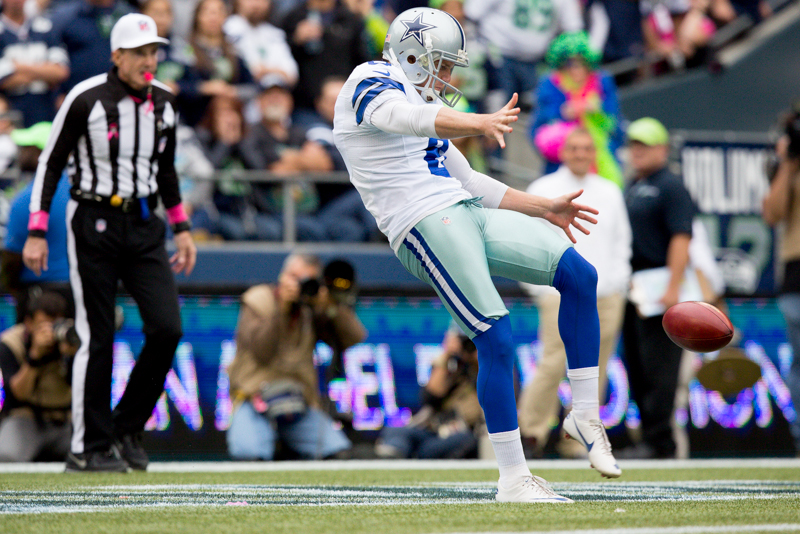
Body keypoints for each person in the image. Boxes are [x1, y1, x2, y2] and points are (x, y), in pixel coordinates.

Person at [333, 8, 620, 504]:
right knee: (495, 333)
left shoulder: (426, 103)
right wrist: (478, 122)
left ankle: (585, 413)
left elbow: (468, 181)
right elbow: (404, 117)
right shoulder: (371, 80)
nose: (449, 76)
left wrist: (543, 206)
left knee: (578, 273)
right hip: (423, 222)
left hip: (462, 209)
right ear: (410, 55)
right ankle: (512, 478)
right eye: (441, 64)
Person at [21, 13, 198, 472]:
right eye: (140, 53)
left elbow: (167, 170)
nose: (149, 61)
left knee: (167, 328)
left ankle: (126, 426)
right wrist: (37, 230)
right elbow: (51, 164)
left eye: (154, 51)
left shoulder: (164, 102)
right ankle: (88, 446)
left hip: (143, 224)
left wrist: (180, 227)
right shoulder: (86, 98)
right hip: (93, 220)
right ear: (116, 56)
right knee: (96, 334)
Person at [518, 128, 631, 459]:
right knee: (553, 361)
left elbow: (622, 242)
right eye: (575, 148)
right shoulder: (543, 189)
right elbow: (527, 239)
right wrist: (539, 287)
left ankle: (579, 438)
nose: (581, 154)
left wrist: (618, 283)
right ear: (563, 152)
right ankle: (530, 433)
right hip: (558, 290)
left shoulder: (610, 191)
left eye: (587, 148)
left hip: (606, 294)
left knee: (595, 365)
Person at [226, 253, 367, 460]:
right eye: (294, 277)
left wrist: (331, 306)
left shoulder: (311, 310)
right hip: (255, 398)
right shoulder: (259, 299)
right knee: (250, 453)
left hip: (299, 404)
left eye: (306, 280)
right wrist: (281, 310)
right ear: (282, 276)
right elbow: (261, 351)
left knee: (337, 452)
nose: (298, 285)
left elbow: (354, 337)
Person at [620, 117, 696, 459]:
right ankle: (649, 437)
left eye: (645, 145)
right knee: (636, 362)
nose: (637, 151)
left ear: (663, 150)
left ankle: (661, 440)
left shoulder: (671, 186)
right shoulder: (633, 185)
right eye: (634, 144)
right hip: (633, 287)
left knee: (660, 365)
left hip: (659, 285)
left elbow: (681, 236)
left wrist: (672, 287)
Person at [530, 32, 624, 186]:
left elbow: (616, 126)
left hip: (601, 164)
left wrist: (597, 113)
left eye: (581, 63)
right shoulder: (550, 85)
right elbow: (537, 131)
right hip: (561, 167)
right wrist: (562, 114)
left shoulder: (603, 82)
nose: (576, 70)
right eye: (569, 64)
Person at [376, 326, 483, 459]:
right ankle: (391, 457)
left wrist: (482, 359)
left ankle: (413, 456)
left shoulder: (488, 368)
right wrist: (448, 354)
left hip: (465, 432)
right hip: (434, 428)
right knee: (396, 431)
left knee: (437, 446)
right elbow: (431, 395)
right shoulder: (452, 366)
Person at [2, 122, 73, 323]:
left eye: (27, 148)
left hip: (38, 298)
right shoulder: (80, 192)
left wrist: (13, 289)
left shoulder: (26, 199)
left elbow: (11, 258)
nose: (21, 153)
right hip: (81, 292)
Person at [761, 106, 800, 457]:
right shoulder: (785, 166)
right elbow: (772, 214)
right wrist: (788, 163)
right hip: (795, 272)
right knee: (799, 362)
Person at [0, 291, 77, 462]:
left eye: (55, 325)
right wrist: (34, 356)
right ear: (29, 323)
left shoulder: (72, 340)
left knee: (99, 453)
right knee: (6, 457)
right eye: (43, 325)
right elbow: (17, 395)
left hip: (65, 421)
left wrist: (72, 357)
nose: (49, 332)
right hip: (25, 420)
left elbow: (87, 391)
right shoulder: (11, 342)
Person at [280, 0, 371, 120]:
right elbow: (281, 59)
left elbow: (363, 62)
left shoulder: (350, 19)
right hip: (306, 107)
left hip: (346, 103)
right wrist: (296, 41)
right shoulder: (292, 18)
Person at [0, 0, 70, 127]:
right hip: (10, 120)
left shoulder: (45, 27)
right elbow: (3, 81)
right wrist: (43, 73)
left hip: (46, 115)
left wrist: (16, 67)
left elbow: (60, 72)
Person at [49, 0, 135, 95]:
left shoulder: (130, 16)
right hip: (79, 98)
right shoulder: (64, 17)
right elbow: (53, 55)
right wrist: (58, 94)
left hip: (123, 95)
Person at [224, 0, 299, 88]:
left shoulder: (274, 33)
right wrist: (276, 71)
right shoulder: (227, 29)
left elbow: (292, 75)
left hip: (274, 92)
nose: (256, 5)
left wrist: (266, 70)